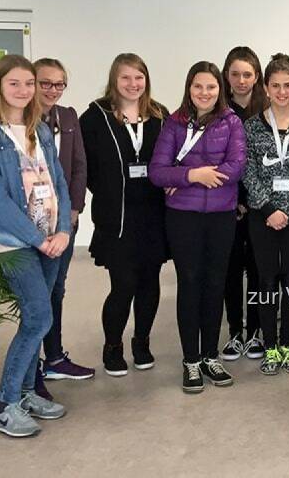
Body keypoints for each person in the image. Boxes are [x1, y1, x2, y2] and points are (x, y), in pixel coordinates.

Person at [0, 55, 71, 437]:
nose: (24, 91)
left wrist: (62, 230)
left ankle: (28, 392)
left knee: (39, 315)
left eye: (29, 83)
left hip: (52, 238)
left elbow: (58, 182)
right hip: (16, 243)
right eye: (15, 83)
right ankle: (4, 404)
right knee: (38, 318)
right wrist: (39, 240)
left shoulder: (39, 128)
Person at [149, 61, 246, 393]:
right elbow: (157, 172)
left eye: (211, 87)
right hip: (183, 218)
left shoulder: (232, 122)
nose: (205, 93)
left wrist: (188, 176)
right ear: (189, 88)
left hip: (221, 216)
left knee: (215, 284)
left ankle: (210, 355)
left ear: (220, 89)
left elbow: (235, 167)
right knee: (189, 283)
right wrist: (193, 175)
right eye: (198, 86)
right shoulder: (173, 124)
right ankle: (191, 359)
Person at [79, 53, 168, 377]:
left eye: (139, 78)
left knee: (150, 283)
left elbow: (171, 157)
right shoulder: (94, 117)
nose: (133, 84)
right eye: (126, 78)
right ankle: (112, 345)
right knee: (123, 284)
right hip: (117, 219)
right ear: (114, 81)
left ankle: (141, 342)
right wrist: (106, 190)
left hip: (153, 216)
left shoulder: (159, 115)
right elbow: (83, 166)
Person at [242, 53, 289, 375]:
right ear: (266, 87)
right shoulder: (250, 127)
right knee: (265, 279)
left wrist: (287, 209)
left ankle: (287, 344)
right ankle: (269, 346)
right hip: (262, 215)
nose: (282, 91)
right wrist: (270, 209)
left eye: (288, 85)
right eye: (276, 85)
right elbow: (247, 171)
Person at [32, 58, 94, 391]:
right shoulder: (19, 120)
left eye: (59, 84)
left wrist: (74, 210)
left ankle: (54, 358)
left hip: (64, 220)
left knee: (56, 288)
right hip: (31, 222)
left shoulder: (68, 117)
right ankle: (32, 370)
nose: (52, 90)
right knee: (36, 295)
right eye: (45, 83)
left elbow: (79, 166)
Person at [219, 46, 265, 361]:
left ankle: (256, 332)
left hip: (261, 204)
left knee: (259, 270)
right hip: (229, 205)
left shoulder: (268, 109)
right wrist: (235, 199)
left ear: (257, 76)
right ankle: (236, 331)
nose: (241, 80)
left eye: (247, 74)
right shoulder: (219, 111)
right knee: (232, 271)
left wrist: (256, 200)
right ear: (226, 76)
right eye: (235, 74)